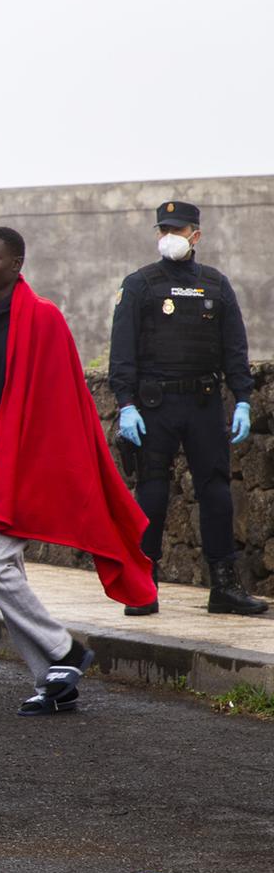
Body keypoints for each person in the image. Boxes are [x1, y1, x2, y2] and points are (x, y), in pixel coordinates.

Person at [0, 227, 156, 717]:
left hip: (33, 465)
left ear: (17, 264)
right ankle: (54, 683)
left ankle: (64, 650)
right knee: (3, 567)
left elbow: (61, 401)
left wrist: (26, 453)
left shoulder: (45, 319)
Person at [108, 201, 265, 617]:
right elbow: (121, 352)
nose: (169, 236)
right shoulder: (140, 284)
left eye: (178, 230)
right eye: (164, 228)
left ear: (196, 235)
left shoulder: (215, 285)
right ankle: (144, 585)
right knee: (152, 494)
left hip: (203, 403)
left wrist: (245, 399)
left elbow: (235, 348)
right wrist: (125, 404)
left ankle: (225, 587)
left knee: (216, 493)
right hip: (154, 405)